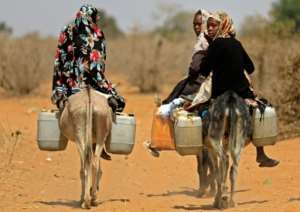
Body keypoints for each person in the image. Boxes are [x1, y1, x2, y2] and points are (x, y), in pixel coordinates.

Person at [189, 12, 279, 167]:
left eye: (213, 25)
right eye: (208, 25)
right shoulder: (237, 44)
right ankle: (261, 153)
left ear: (222, 26)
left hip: (220, 96)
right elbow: (250, 67)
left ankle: (206, 149)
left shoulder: (215, 44)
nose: (209, 28)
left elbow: (203, 70)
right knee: (259, 110)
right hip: (243, 95)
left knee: (198, 112)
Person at [51, 4, 125, 160]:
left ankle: (63, 136)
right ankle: (102, 143)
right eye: (96, 17)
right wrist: (102, 83)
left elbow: (59, 59)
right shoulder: (97, 33)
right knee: (117, 103)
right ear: (92, 17)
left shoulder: (67, 30)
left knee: (61, 106)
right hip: (93, 80)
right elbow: (100, 62)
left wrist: (60, 86)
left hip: (69, 84)